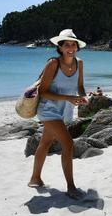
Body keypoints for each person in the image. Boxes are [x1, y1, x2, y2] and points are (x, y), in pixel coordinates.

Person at [28, 28, 89, 199]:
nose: (71, 48)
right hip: (48, 109)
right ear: (60, 47)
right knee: (68, 144)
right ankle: (71, 187)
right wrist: (67, 97)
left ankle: (35, 178)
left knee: (46, 142)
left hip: (64, 109)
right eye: (67, 45)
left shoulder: (80, 63)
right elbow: (43, 91)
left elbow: (80, 86)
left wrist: (83, 97)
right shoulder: (53, 64)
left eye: (73, 45)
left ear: (77, 47)